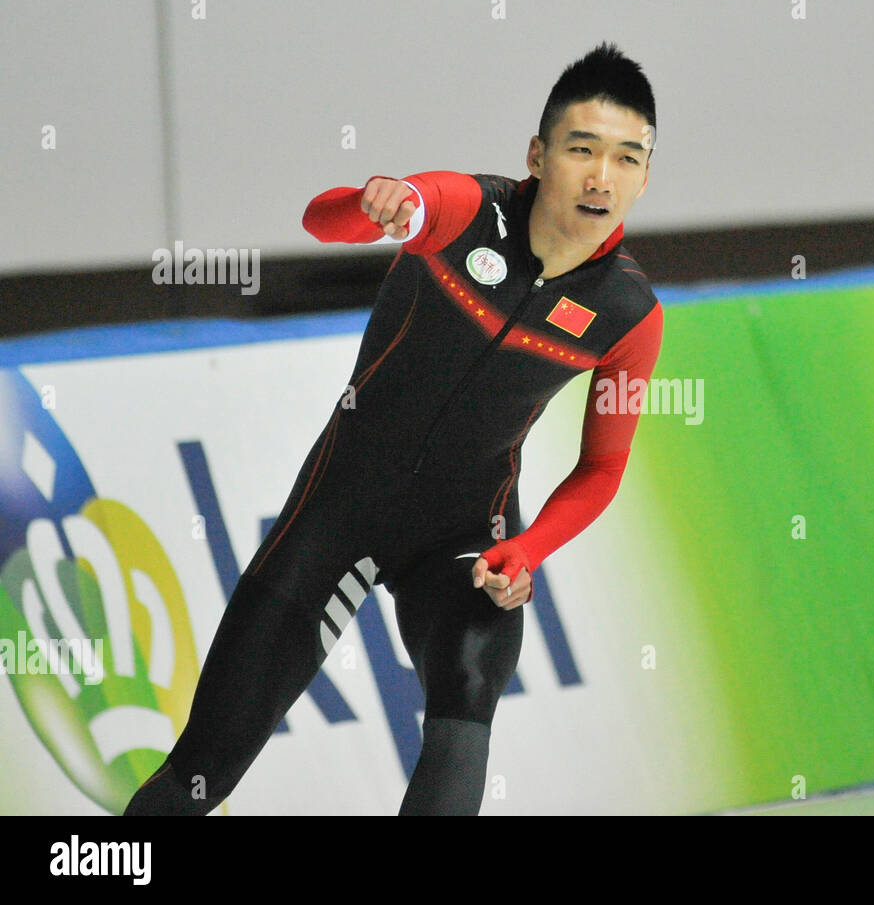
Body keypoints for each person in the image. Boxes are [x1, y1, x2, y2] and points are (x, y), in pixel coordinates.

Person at [123, 42, 662, 815]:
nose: (602, 177)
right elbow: (325, 219)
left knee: (466, 705)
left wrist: (528, 547)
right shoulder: (467, 210)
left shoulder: (630, 314)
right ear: (539, 155)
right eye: (582, 150)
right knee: (200, 770)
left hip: (468, 536)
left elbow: (603, 468)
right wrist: (375, 202)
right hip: (337, 514)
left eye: (626, 158)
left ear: (647, 176)